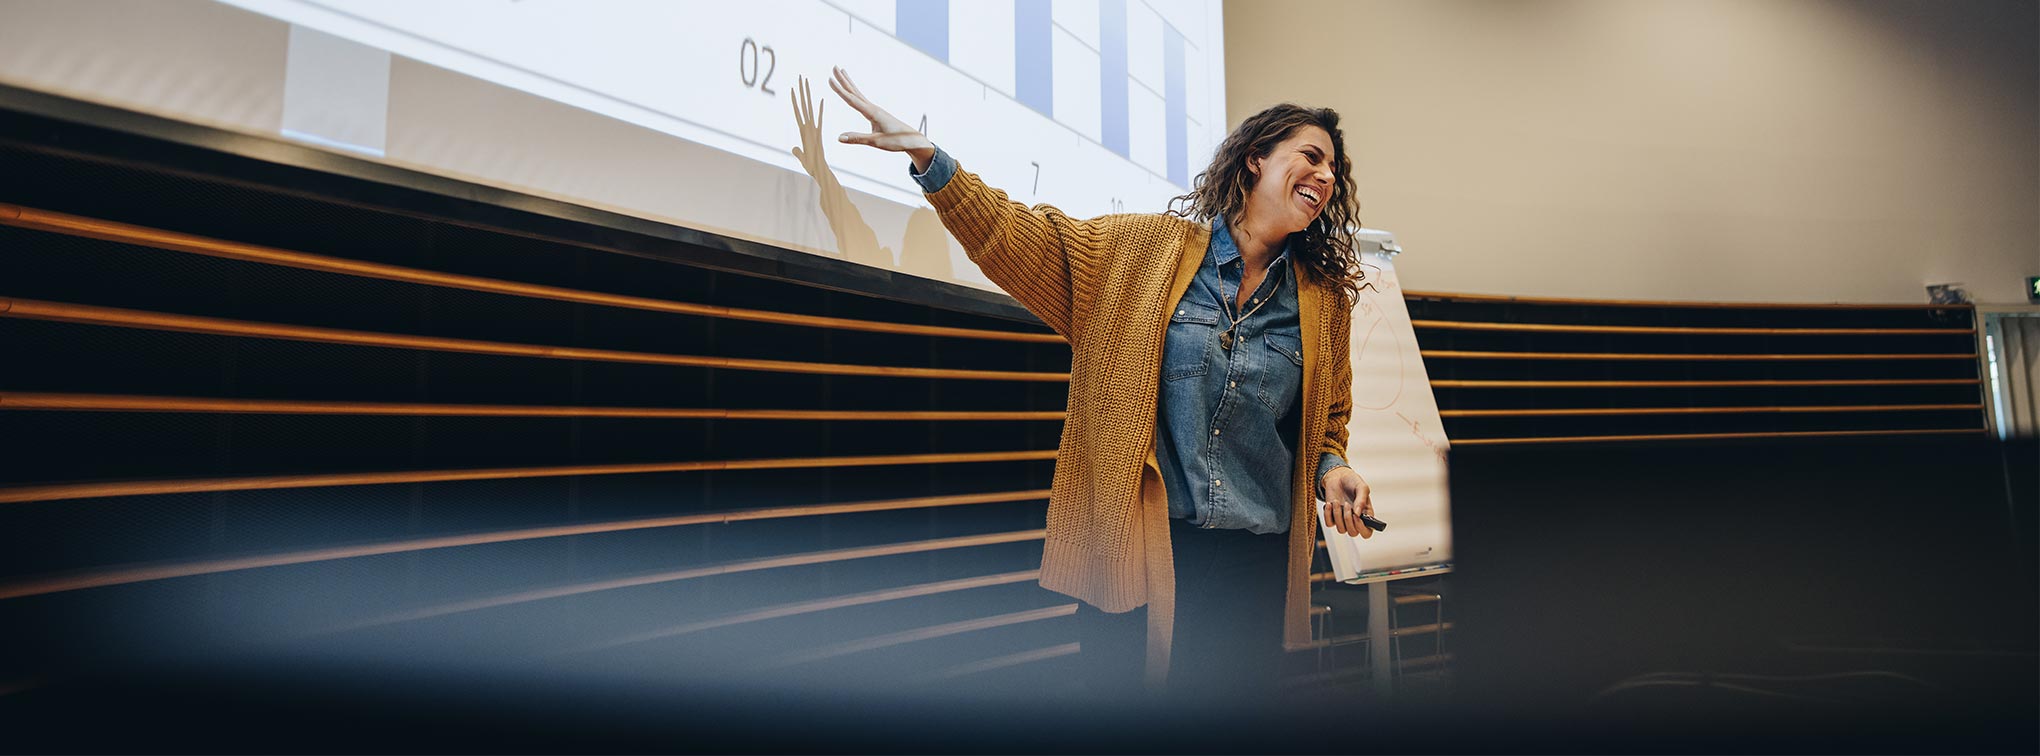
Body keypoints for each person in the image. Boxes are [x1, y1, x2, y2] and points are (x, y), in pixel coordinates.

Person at [817, 66, 1378, 699]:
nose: (1326, 177)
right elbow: (1020, 238)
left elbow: (1328, 418)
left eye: (1334, 170)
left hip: (1254, 565)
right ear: (1254, 160)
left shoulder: (1323, 299)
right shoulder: (1142, 252)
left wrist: (1333, 468)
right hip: (1140, 548)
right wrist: (930, 161)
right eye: (1312, 156)